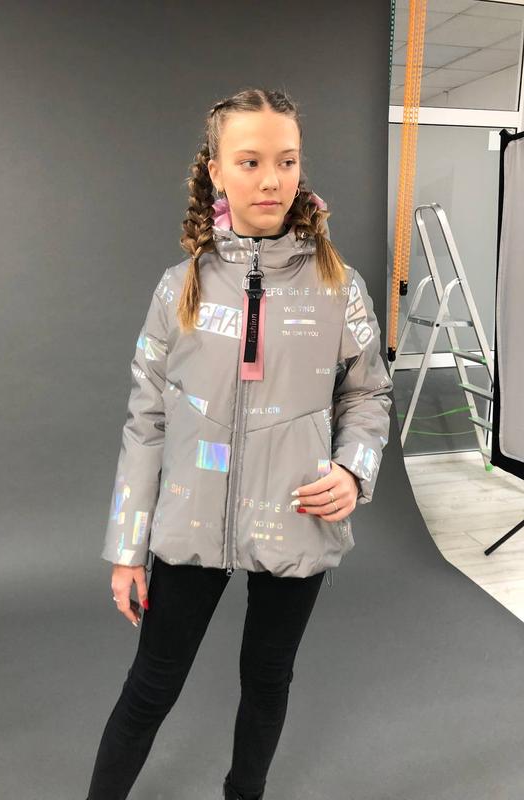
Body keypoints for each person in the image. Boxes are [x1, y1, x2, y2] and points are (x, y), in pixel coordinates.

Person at [86, 87, 394, 800]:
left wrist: (354, 471)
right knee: (151, 686)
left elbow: (368, 393)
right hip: (190, 521)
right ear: (216, 170)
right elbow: (145, 421)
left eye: (286, 161)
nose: (271, 180)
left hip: (296, 515)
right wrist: (128, 548)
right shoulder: (179, 289)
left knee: (267, 680)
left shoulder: (338, 287)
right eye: (250, 161)